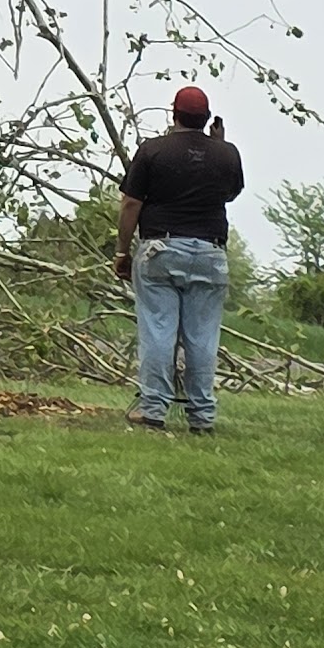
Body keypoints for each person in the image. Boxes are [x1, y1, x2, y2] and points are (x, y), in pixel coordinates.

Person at [115, 84, 244, 434]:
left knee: (159, 330)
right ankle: (202, 417)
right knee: (202, 338)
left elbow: (130, 203)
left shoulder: (153, 150)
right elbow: (228, 193)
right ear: (206, 118)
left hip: (162, 250)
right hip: (210, 254)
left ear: (173, 114)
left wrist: (122, 252)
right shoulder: (227, 154)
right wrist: (217, 145)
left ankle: (153, 409)